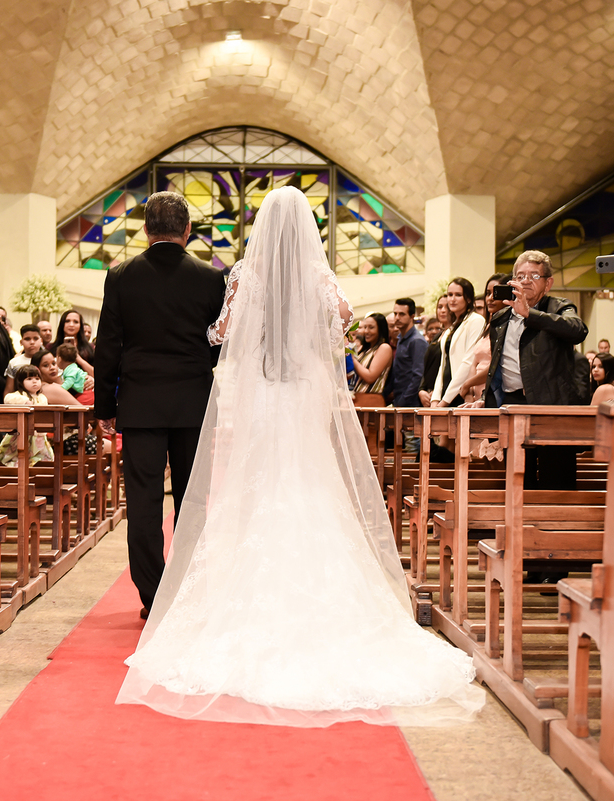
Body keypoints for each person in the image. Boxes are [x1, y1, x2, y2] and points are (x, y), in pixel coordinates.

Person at [116, 184, 484, 727]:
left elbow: (221, 333)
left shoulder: (244, 274)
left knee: (257, 488)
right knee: (310, 486)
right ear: (306, 229)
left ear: (264, 225)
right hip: (302, 397)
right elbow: (345, 325)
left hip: (263, 397)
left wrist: (244, 332)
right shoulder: (319, 276)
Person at [94, 191, 227, 619]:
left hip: (140, 404)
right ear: (188, 230)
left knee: (144, 503)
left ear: (146, 230)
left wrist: (104, 407)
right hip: (193, 404)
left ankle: (153, 598)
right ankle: (187, 592)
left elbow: (108, 346)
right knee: (192, 502)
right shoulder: (210, 278)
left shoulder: (121, 275)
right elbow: (218, 346)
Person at [483, 251, 588, 490]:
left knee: (557, 483)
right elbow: (497, 366)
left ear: (548, 283)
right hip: (513, 404)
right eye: (520, 276)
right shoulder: (499, 319)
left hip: (551, 408)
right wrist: (485, 398)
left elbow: (578, 330)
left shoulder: (559, 307)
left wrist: (530, 313)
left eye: (534, 275)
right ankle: (518, 527)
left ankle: (558, 526)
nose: (526, 281)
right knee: (518, 482)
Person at [454, 273, 511, 405]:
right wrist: (469, 392)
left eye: (495, 293)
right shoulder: (488, 326)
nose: (490, 298)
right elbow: (474, 362)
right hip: (475, 394)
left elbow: (497, 365)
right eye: (487, 293)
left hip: (495, 393)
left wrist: (468, 383)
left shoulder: (509, 326)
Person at [429, 278, 484, 407]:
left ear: (469, 299)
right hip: (446, 391)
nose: (452, 299)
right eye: (450, 295)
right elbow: (442, 366)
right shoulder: (452, 326)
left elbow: (467, 362)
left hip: (461, 392)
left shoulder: (476, 321)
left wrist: (444, 401)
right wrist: (435, 400)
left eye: (458, 295)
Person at [0, 364, 55, 467]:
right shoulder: (19, 395)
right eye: (29, 378)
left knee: (43, 456)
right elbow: (7, 399)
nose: (34, 381)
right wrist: (25, 401)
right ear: (21, 382)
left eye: (37, 378)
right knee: (13, 455)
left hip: (38, 434)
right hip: (20, 433)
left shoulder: (42, 397)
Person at [383, 298, 426, 408]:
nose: (397, 318)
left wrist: (403, 401)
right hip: (400, 400)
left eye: (402, 314)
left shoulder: (417, 341)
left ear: (412, 316)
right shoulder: (401, 339)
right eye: (395, 313)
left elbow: (418, 376)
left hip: (411, 404)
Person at [348, 313, 393, 404]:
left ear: (380, 329)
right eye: (365, 327)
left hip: (371, 401)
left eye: (371, 327)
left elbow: (370, 377)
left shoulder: (384, 348)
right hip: (356, 399)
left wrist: (352, 358)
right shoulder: (365, 350)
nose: (366, 331)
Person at [4, 324, 45, 394]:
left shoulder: (49, 360)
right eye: (27, 339)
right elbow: (9, 390)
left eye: (35, 338)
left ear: (41, 341)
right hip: (22, 401)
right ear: (21, 342)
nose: (32, 342)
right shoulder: (14, 363)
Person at [56, 309, 95, 375]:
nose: (71, 325)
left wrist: (77, 358)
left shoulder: (90, 348)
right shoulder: (52, 347)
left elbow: (96, 374)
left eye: (76, 322)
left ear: (80, 326)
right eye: (67, 321)